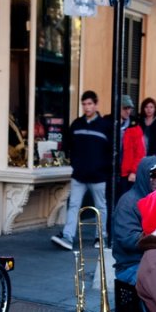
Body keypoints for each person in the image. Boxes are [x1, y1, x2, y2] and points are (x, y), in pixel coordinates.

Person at [51, 90, 112, 251]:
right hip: (79, 175)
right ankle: (68, 237)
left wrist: (103, 168)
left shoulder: (105, 126)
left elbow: (110, 151)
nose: (87, 107)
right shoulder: (76, 124)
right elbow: (69, 146)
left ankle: (101, 236)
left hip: (98, 176)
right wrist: (75, 164)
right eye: (84, 104)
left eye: (90, 104)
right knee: (74, 206)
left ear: (96, 104)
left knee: (101, 207)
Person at [112, 156, 156, 285]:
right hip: (132, 265)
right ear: (144, 176)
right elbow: (130, 240)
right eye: (153, 175)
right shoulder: (128, 202)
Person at [119, 95, 146, 196]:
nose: (128, 111)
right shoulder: (110, 123)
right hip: (112, 172)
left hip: (127, 174)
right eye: (125, 108)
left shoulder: (135, 127)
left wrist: (134, 171)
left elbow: (140, 152)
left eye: (129, 108)